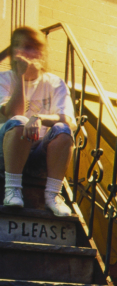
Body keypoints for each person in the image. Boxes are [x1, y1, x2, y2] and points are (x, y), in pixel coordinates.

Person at [0, 26, 75, 217]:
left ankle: (53, 195)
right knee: (18, 121)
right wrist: (21, 77)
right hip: (6, 152)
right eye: (17, 46)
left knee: (63, 129)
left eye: (28, 47)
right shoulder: (4, 79)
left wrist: (39, 118)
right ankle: (13, 189)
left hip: (39, 154)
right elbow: (12, 113)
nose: (20, 51)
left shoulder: (55, 83)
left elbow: (68, 119)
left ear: (40, 54)